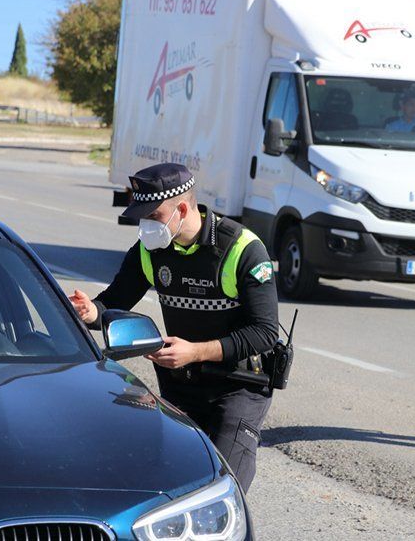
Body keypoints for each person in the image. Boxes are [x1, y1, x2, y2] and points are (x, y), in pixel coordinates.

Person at [69, 163, 279, 490]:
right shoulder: (150, 251)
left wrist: (196, 352)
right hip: (180, 388)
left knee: (222, 488)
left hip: (237, 388)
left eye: (153, 217)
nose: (146, 227)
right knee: (167, 488)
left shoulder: (243, 250)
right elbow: (114, 301)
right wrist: (91, 312)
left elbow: (264, 334)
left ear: (181, 209)